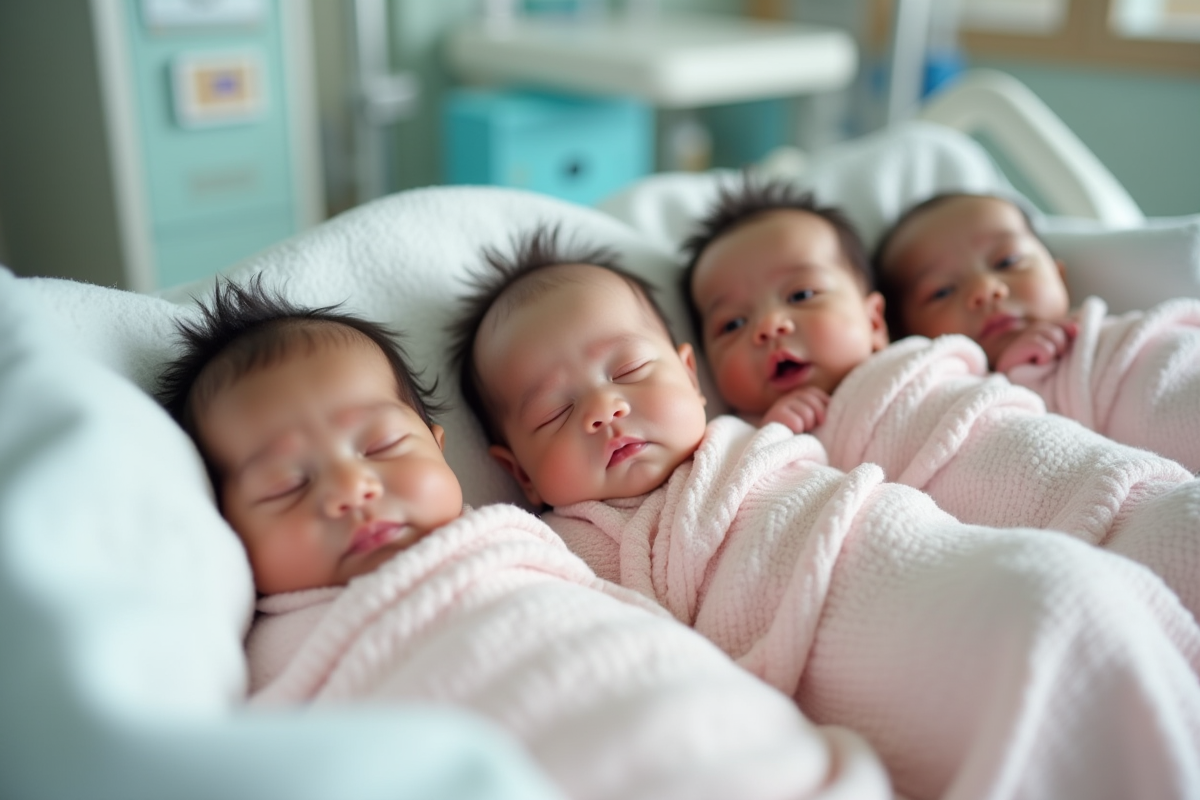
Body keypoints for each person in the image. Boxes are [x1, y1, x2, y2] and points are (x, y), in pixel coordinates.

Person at [450, 224, 1200, 800]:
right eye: (553, 412)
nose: (605, 409)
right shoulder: (580, 544)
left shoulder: (764, 433)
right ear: (519, 473)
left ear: (691, 376)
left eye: (629, 371)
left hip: (929, 553)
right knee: (1048, 629)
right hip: (865, 639)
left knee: (1074, 593)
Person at [154, 276, 889, 800]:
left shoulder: (523, 543)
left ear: (443, 454)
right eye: (286, 485)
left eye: (380, 448)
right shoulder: (272, 652)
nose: (352, 489)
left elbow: (653, 633)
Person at [681, 179, 1200, 620]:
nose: (770, 327)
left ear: (877, 322)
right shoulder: (759, 438)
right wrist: (784, 438)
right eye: (732, 324)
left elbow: (1022, 405)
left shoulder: (927, 359)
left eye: (800, 295)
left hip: (1095, 483)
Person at [872, 191, 1200, 471]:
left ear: (1059, 275)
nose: (985, 289)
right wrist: (1021, 375)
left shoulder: (1104, 335)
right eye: (941, 292)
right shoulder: (964, 404)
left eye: (1007, 261)